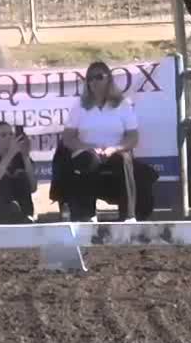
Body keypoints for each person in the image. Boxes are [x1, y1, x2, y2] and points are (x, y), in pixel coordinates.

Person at [58, 60, 156, 222]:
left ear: (108, 79)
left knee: (124, 159)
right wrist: (88, 148)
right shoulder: (79, 106)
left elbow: (133, 136)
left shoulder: (122, 105)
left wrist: (114, 149)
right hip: (87, 152)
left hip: (114, 152)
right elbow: (68, 138)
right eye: (90, 78)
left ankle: (128, 216)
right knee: (87, 159)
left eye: (98, 77)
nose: (94, 82)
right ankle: (88, 215)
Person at [0, 120, 37, 223]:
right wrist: (10, 153)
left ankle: (26, 217)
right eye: (3, 135)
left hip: (21, 213)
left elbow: (33, 188)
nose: (9, 137)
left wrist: (25, 156)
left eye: (11, 134)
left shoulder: (21, 159)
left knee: (21, 176)